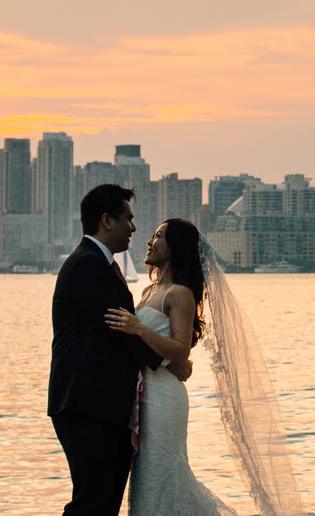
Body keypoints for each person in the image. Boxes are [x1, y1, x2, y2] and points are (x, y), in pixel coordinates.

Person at [48, 184, 192, 516]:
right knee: (94, 501)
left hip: (99, 404)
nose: (134, 228)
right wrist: (170, 361)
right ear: (107, 221)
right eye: (128, 218)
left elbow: (124, 331)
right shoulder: (89, 266)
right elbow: (121, 333)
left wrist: (172, 357)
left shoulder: (99, 265)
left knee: (102, 499)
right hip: (89, 405)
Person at [104, 217, 237, 515]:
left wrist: (139, 329)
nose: (150, 241)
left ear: (175, 247)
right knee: (146, 476)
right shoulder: (149, 291)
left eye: (159, 236)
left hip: (164, 397)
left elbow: (179, 351)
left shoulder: (180, 293)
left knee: (163, 471)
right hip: (145, 394)